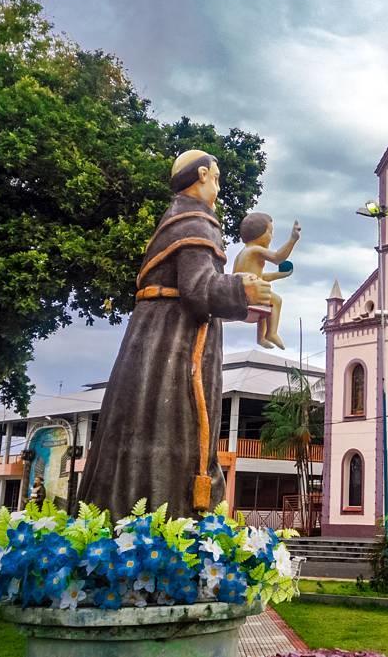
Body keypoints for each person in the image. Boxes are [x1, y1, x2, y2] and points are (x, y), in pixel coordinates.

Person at [78, 150, 271, 519]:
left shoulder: (174, 219)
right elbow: (198, 289)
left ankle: (121, 513)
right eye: (216, 178)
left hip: (153, 336)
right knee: (173, 422)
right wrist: (241, 289)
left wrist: (240, 302)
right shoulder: (195, 222)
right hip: (173, 343)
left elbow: (191, 288)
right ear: (202, 175)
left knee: (141, 423)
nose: (218, 187)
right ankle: (166, 520)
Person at [232, 213, 300, 349]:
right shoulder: (255, 250)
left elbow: (260, 277)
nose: (272, 236)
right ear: (259, 234)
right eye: (270, 232)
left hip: (240, 292)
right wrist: (292, 240)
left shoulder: (242, 253)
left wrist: (279, 275)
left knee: (265, 304)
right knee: (276, 300)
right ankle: (271, 333)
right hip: (247, 294)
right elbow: (277, 257)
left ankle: (261, 338)